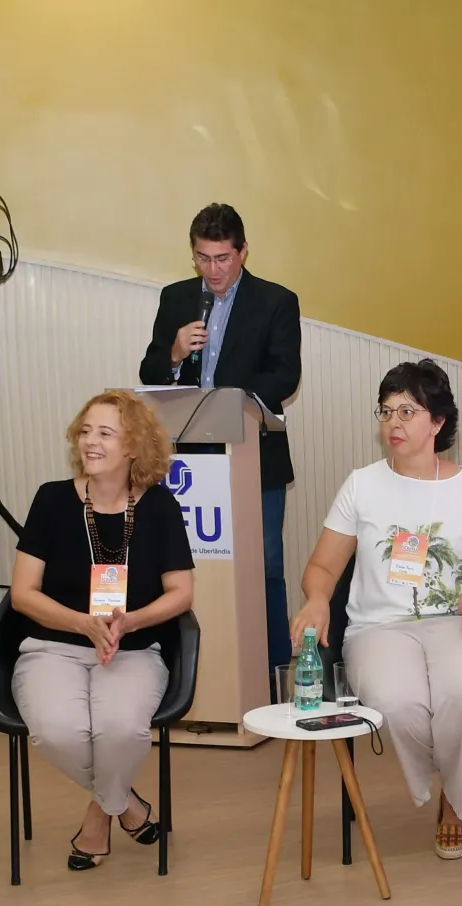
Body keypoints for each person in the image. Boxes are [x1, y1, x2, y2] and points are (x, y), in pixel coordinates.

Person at [289, 360, 462, 860]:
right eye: (386, 411)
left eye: (407, 411)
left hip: (458, 623)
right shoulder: (362, 485)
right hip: (379, 628)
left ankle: (454, 806)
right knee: (396, 703)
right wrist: (317, 597)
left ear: (437, 422)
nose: (392, 423)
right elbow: (323, 567)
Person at [10, 390, 195, 871]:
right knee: (57, 732)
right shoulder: (51, 500)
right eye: (86, 431)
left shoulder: (159, 506)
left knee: (120, 730)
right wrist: (82, 624)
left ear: (133, 446)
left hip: (132, 648)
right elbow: (23, 594)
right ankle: (126, 805)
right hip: (52, 647)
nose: (90, 441)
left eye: (106, 433)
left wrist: (130, 621)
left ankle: (99, 815)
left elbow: (181, 593)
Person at [138, 203, 302, 673]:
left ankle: (272, 670)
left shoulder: (275, 301)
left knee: (265, 563)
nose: (212, 270)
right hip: (189, 460)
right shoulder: (175, 298)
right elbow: (150, 372)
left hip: (254, 453)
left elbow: (285, 375)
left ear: (243, 251)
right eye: (203, 258)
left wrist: (230, 403)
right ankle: (198, 667)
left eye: (223, 258)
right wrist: (174, 353)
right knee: (188, 565)